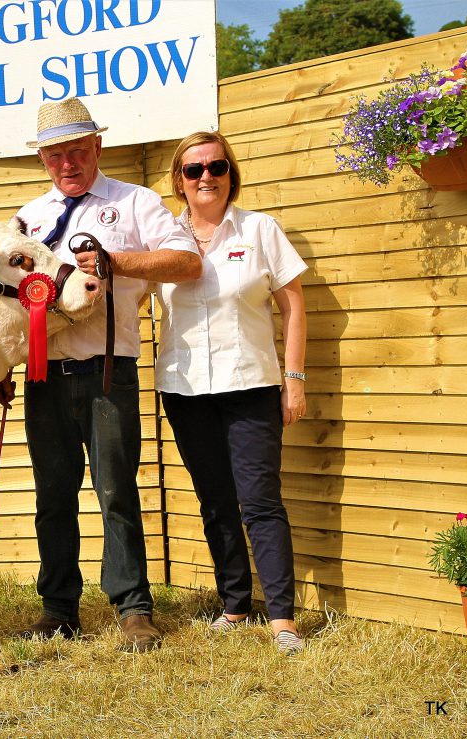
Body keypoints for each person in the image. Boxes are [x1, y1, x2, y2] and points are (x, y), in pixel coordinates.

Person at [14, 97, 202, 652]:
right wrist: (3, 363)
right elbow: (3, 297)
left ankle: (134, 609)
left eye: (77, 150)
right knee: (52, 493)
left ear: (97, 147)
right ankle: (58, 610)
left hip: (107, 370)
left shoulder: (136, 202)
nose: (67, 163)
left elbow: (186, 262)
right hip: (42, 373)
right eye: (55, 155)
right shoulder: (27, 217)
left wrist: (117, 262)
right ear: (43, 159)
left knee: (116, 489)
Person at [156, 130, 308, 655]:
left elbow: (293, 307)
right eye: (194, 169)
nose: (206, 178)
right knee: (215, 501)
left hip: (251, 385)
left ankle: (283, 619)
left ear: (230, 173)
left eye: (216, 167)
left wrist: (295, 379)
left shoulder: (261, 229)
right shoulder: (164, 239)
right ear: (179, 180)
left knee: (260, 501)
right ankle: (236, 604)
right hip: (185, 388)